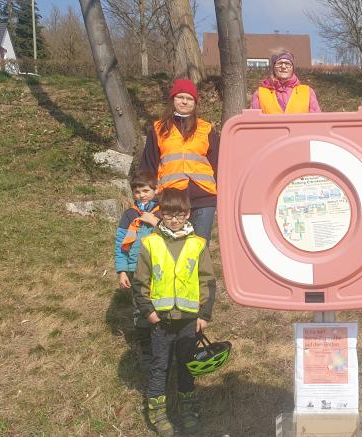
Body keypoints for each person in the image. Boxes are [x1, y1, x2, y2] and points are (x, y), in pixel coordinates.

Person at [132, 188, 217, 436]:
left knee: (186, 366)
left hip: (189, 322)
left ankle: (188, 411)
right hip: (161, 321)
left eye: (180, 215)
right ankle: (158, 414)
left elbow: (208, 282)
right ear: (162, 214)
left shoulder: (197, 244)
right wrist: (149, 313)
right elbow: (140, 282)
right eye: (169, 215)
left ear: (188, 214)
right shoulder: (151, 243)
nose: (175, 220)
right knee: (160, 367)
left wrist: (204, 314)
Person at [141, 79, 220, 240]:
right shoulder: (158, 128)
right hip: (171, 198)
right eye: (180, 97)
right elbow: (148, 165)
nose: (185, 101)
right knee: (172, 247)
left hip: (204, 197)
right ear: (173, 100)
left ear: (195, 103)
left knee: (198, 248)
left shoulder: (206, 129)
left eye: (190, 98)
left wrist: (222, 196)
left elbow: (219, 165)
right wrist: (145, 196)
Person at [114, 172, 160, 375]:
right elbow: (120, 244)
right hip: (135, 270)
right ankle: (145, 350)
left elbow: (174, 235)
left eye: (146, 191)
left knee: (159, 305)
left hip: (158, 269)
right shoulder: (128, 215)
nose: (142, 195)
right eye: (137, 191)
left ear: (155, 190)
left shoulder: (163, 211)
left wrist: (154, 222)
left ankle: (162, 345)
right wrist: (122, 270)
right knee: (140, 309)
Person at [250, 50, 322, 114]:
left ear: (293, 68)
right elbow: (252, 124)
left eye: (287, 64)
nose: (283, 67)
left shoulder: (307, 92)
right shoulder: (260, 94)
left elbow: (317, 121)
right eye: (279, 63)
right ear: (273, 68)